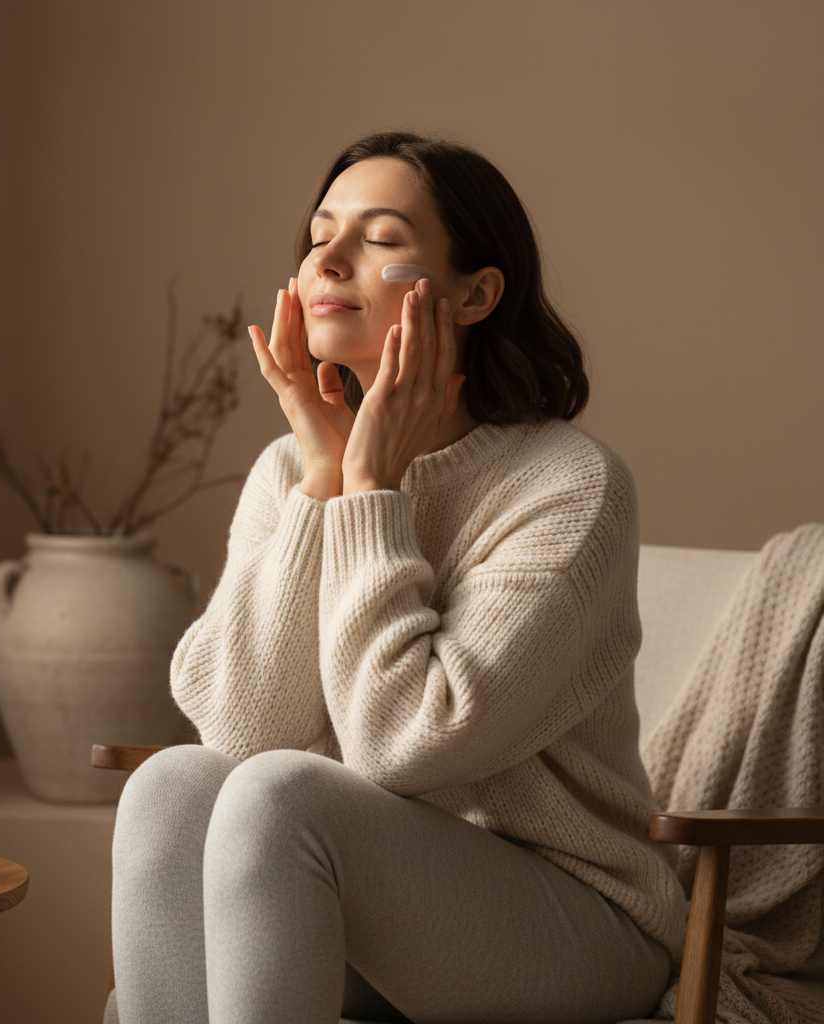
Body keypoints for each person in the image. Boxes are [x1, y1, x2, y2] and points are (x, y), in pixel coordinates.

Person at [108, 131, 687, 1024]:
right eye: (319, 234)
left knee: (279, 794)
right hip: (361, 901)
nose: (328, 259)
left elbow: (404, 749)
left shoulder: (569, 486)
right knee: (173, 783)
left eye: (379, 240)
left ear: (474, 293)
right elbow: (241, 724)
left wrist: (371, 492)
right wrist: (320, 485)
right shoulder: (290, 468)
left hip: (574, 918)